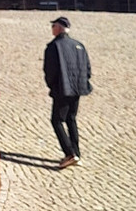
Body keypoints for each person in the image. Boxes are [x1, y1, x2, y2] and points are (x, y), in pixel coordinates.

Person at [43, 16, 92, 169]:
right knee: (71, 119)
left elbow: (50, 70)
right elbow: (88, 68)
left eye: (53, 26)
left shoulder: (54, 46)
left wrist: (52, 85)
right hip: (78, 88)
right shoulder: (79, 45)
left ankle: (70, 153)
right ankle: (77, 154)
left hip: (62, 89)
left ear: (59, 28)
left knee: (56, 120)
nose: (52, 29)